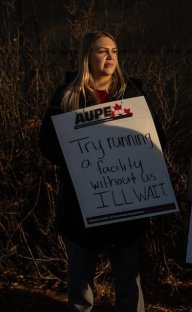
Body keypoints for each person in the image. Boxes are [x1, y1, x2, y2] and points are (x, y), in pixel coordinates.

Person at [39, 31, 161, 312]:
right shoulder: (68, 95)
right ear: (87, 56)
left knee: (129, 282)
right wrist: (78, 159)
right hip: (82, 206)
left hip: (127, 203)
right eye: (102, 51)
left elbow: (157, 140)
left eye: (114, 51)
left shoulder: (132, 93)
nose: (110, 56)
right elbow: (46, 143)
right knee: (80, 284)